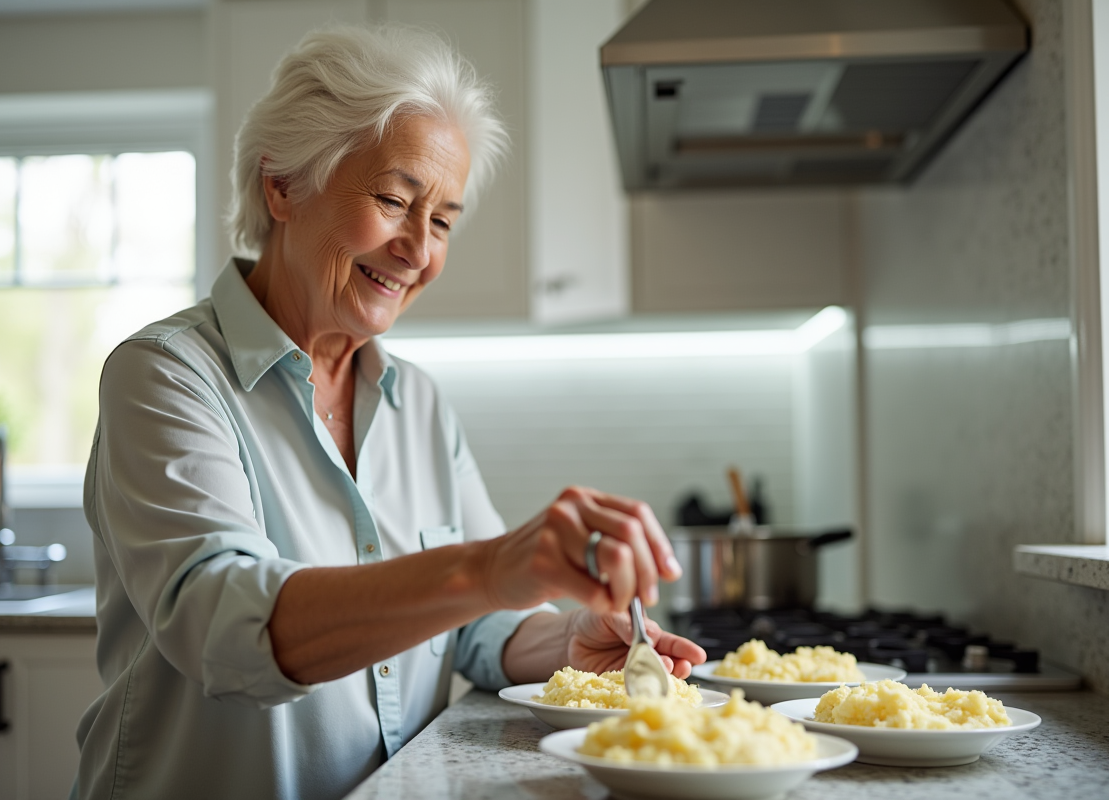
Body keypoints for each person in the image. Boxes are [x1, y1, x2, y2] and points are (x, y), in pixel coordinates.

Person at [72, 24, 706, 800]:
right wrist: (487, 567)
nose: (418, 249)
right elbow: (224, 628)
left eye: (441, 220)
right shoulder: (166, 378)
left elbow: (475, 627)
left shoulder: (419, 404)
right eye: (393, 200)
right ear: (282, 185)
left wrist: (568, 641)